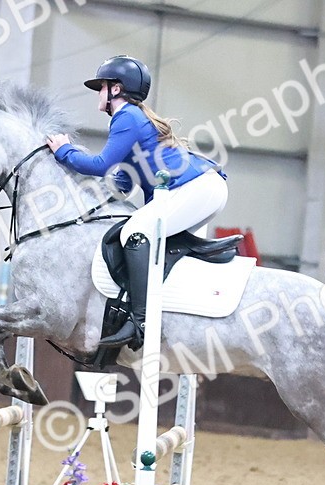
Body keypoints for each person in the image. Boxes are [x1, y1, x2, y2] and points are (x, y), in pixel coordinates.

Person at [46, 55, 228, 348]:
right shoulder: (132, 119)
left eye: (101, 87)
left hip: (196, 188)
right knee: (144, 232)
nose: (98, 93)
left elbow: (102, 164)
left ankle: (141, 322)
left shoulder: (127, 116)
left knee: (136, 232)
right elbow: (123, 183)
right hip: (202, 188)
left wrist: (65, 152)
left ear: (116, 90)